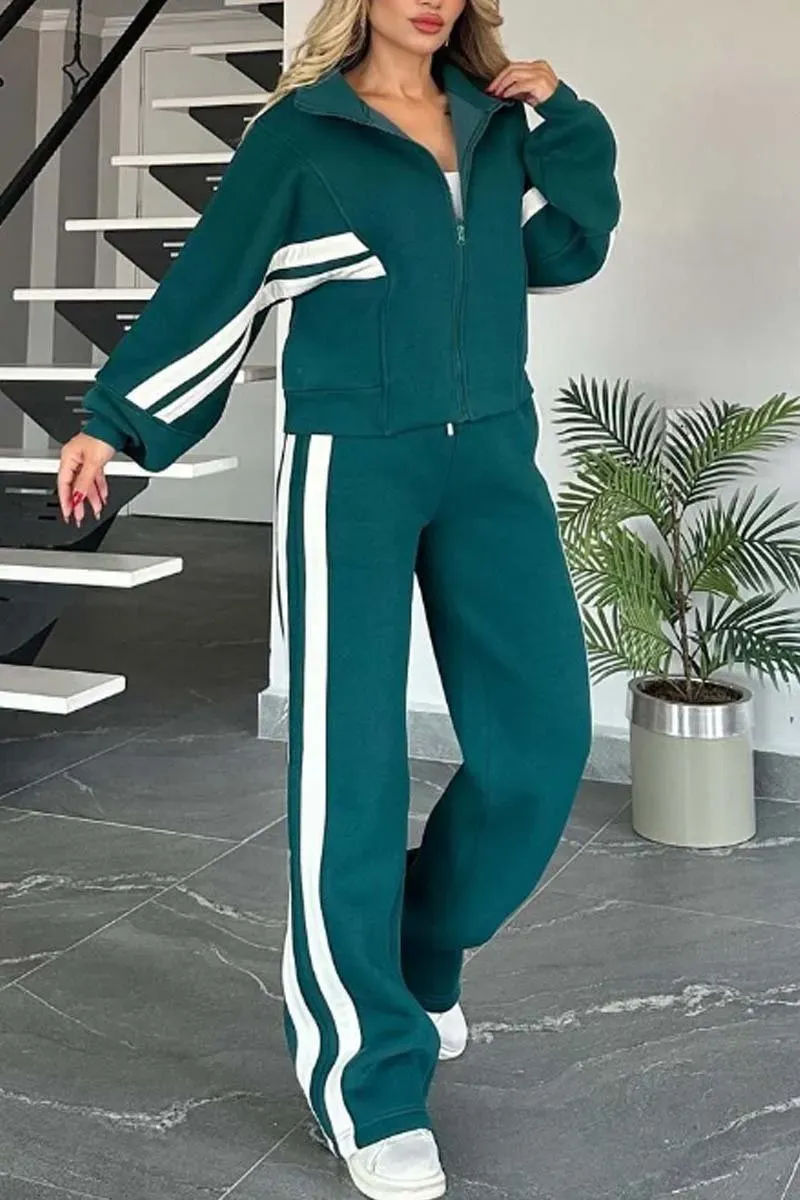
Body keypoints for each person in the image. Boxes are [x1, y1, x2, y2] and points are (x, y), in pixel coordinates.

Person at [58, 0, 620, 1195]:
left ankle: (421, 947)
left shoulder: (493, 124)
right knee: (348, 774)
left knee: (539, 748)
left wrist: (563, 116)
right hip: (349, 467)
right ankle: (366, 1084)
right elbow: (213, 282)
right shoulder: (304, 133)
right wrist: (116, 422)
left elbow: (571, 245)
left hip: (491, 459)